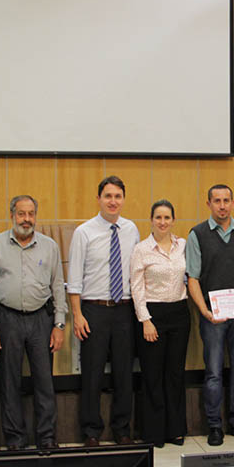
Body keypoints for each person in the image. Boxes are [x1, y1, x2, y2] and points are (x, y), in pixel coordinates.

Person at [0, 195, 67, 450]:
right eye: (21, 214)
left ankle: (47, 438)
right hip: (7, 319)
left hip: (42, 319)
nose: (26, 219)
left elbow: (57, 287)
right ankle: (15, 440)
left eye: (31, 214)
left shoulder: (49, 246)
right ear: (12, 215)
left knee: (44, 381)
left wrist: (59, 325)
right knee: (9, 382)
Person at [187, 184, 234, 446]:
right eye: (217, 200)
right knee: (213, 373)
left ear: (233, 203)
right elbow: (193, 279)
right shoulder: (197, 234)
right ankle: (214, 425)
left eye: (226, 200)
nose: (222, 205)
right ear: (208, 203)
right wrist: (205, 311)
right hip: (214, 317)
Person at [68, 176, 141, 447]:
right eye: (108, 196)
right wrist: (77, 314)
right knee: (92, 373)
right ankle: (90, 431)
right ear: (98, 199)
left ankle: (122, 429)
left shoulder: (131, 229)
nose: (113, 201)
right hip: (93, 310)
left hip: (124, 309)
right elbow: (74, 277)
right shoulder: (84, 232)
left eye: (118, 196)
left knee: (124, 373)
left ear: (123, 199)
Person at [129, 199, 190, 448]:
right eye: (158, 218)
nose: (163, 222)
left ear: (173, 220)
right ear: (151, 220)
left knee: (175, 374)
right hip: (152, 315)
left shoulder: (183, 245)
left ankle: (175, 429)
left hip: (179, 313)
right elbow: (136, 287)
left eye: (167, 218)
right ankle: (154, 432)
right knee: (152, 375)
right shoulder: (141, 249)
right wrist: (145, 320)